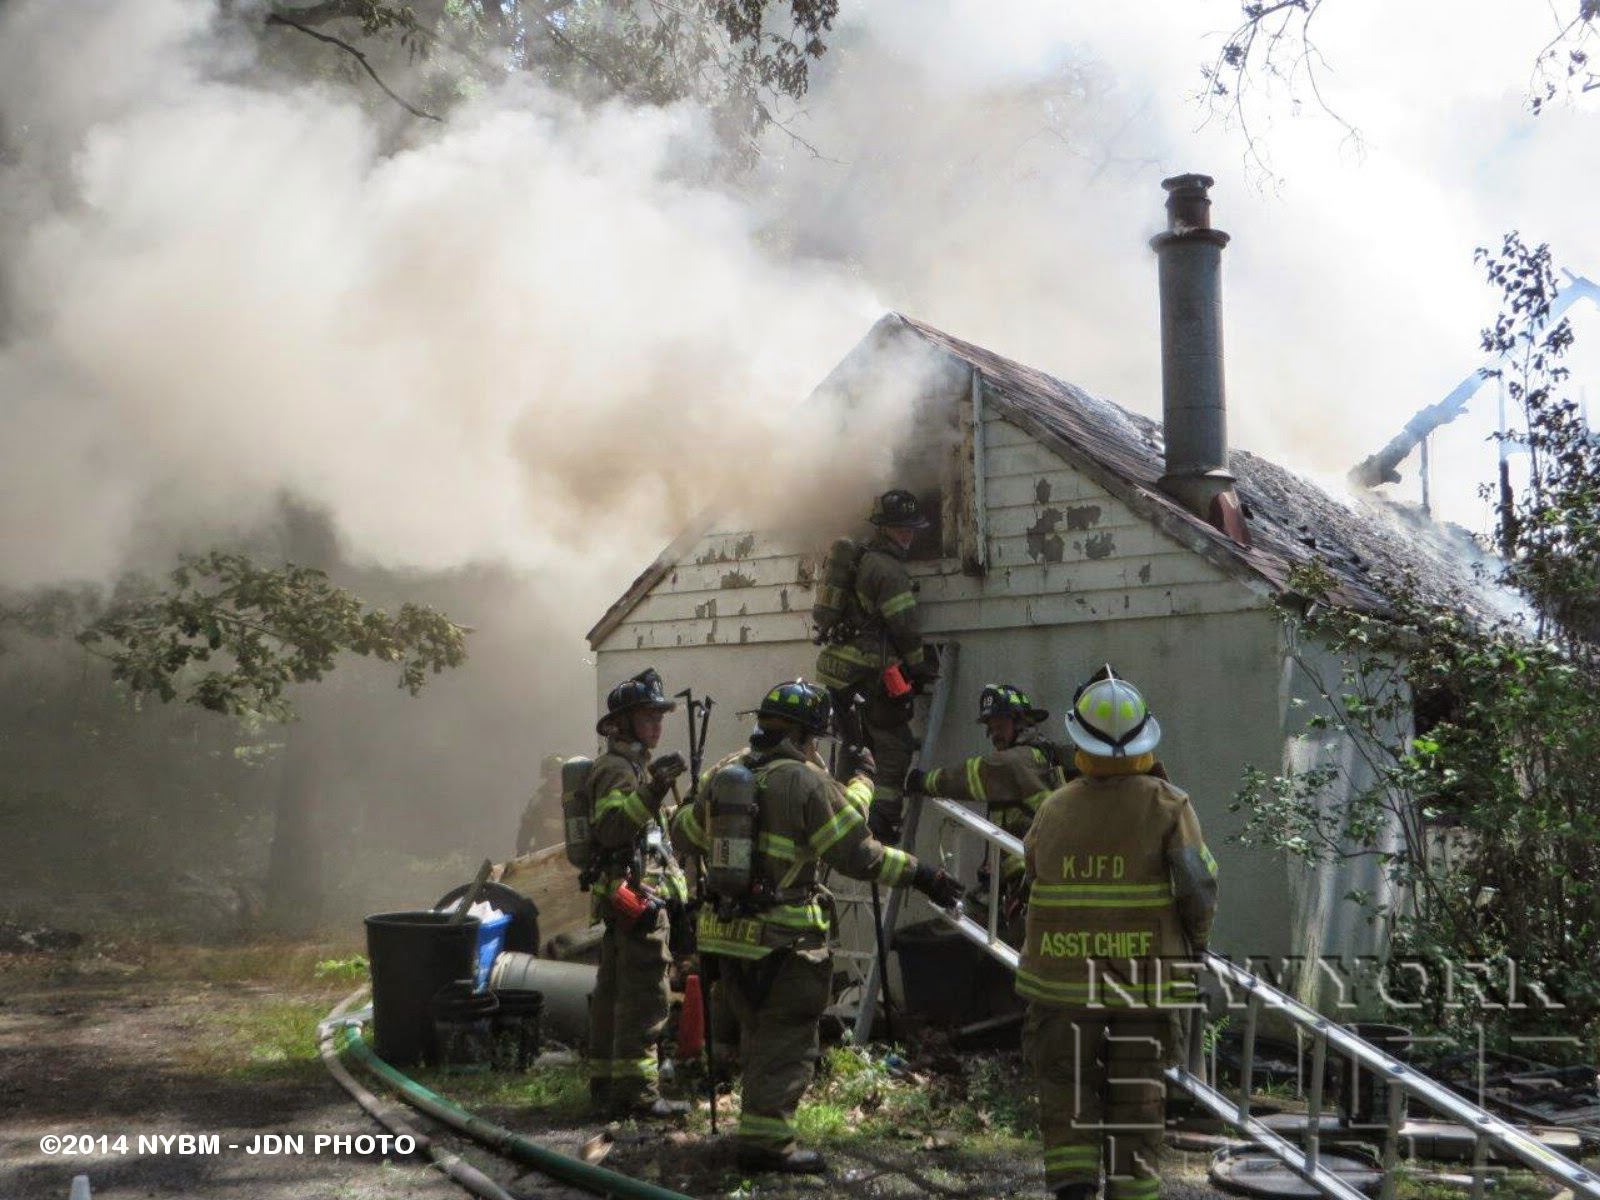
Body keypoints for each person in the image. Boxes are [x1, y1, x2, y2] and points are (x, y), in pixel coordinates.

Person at [670, 679, 964, 1174]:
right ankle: (767, 1147)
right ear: (808, 734)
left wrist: (857, 786)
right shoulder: (805, 783)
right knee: (786, 1040)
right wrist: (923, 874)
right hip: (785, 938)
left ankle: (756, 1131)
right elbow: (857, 852)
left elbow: (684, 833)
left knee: (759, 1033)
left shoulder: (727, 772)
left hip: (725, 934)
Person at [1018, 666, 1218, 1200]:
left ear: (1079, 742)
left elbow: (1032, 869)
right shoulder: (1170, 804)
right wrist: (1196, 943)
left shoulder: (1052, 808)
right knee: (1136, 1094)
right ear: (1146, 739)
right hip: (1145, 981)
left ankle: (1074, 1188)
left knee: (1066, 1084)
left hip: (1062, 981)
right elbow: (1198, 884)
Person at [583, 667, 691, 1118]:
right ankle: (638, 1094)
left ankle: (608, 1085)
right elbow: (610, 829)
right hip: (636, 901)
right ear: (621, 723)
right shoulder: (616, 770)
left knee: (613, 995)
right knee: (646, 998)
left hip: (631, 899)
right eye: (647, 715)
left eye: (659, 714)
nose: (657, 723)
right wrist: (653, 790)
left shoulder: (631, 768)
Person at [815, 488, 937, 845]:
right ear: (885, 529)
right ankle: (881, 821)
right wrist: (919, 667)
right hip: (868, 673)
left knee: (854, 744)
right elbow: (904, 626)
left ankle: (842, 815)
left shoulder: (860, 559)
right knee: (894, 744)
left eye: (911, 528)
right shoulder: (889, 570)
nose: (909, 535)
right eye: (903, 528)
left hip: (837, 673)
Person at [906, 683, 1075, 931]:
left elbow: (969, 776)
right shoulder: (1042, 754)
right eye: (990, 728)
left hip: (1030, 880)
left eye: (1000, 726)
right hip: (1031, 876)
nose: (994, 735)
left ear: (1021, 722)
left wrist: (923, 781)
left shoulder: (1014, 761)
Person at [516, 754, 565, 855]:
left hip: (567, 856)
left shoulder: (572, 800)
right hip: (543, 858)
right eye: (552, 776)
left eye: (559, 776)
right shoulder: (538, 801)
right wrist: (521, 852)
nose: (556, 780)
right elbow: (526, 830)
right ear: (546, 777)